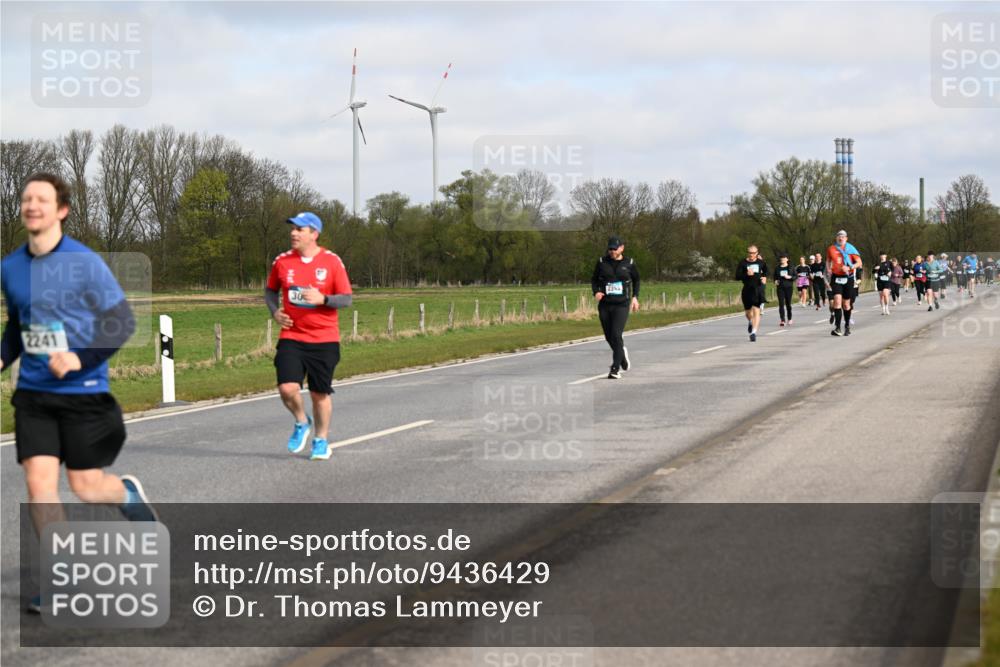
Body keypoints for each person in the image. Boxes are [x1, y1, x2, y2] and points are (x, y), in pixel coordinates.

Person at [1, 173, 157, 614]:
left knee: (87, 487)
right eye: (27, 198)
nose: (32, 205)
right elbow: (19, 325)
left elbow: (122, 322)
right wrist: (2, 358)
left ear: (61, 210)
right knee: (39, 486)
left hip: (83, 390)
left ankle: (126, 494)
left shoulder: (84, 263)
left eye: (42, 199)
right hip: (33, 393)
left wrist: (79, 359)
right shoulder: (10, 267)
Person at [266, 212, 353, 460]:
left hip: (324, 339)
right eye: (292, 228)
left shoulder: (332, 262)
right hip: (292, 335)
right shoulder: (282, 262)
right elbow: (270, 291)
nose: (293, 233)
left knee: (319, 394)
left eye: (300, 229)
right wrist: (275, 312)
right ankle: (302, 421)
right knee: (286, 388)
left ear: (314, 234)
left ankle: (321, 440)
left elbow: (346, 298)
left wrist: (323, 299)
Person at [592, 236, 640, 379]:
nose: (612, 251)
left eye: (615, 248)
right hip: (605, 304)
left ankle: (615, 368)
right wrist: (596, 292)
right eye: (610, 249)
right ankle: (622, 355)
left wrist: (635, 297)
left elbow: (636, 280)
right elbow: (594, 279)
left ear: (622, 248)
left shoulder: (629, 263)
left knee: (616, 334)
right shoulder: (601, 262)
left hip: (621, 305)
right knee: (608, 336)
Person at [826, 230, 861, 336]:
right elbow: (828, 260)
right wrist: (828, 269)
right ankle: (837, 328)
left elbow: (859, 263)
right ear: (836, 238)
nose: (840, 238)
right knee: (837, 302)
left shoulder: (851, 248)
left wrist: (850, 267)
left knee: (846, 304)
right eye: (839, 237)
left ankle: (847, 326)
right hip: (836, 278)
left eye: (843, 237)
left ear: (846, 238)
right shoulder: (831, 248)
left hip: (848, 277)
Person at [736, 245, 767, 342]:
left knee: (756, 310)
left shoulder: (761, 262)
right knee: (748, 312)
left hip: (757, 289)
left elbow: (766, 271)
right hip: (747, 289)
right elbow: (737, 276)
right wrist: (746, 274)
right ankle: (750, 321)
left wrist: (765, 277)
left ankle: (753, 333)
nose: (751, 255)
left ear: (757, 253)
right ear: (747, 253)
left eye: (753, 253)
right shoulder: (743, 263)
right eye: (750, 252)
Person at [774, 254, 795, 326]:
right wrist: (776, 281)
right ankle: (782, 320)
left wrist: (790, 277)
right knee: (781, 304)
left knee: (788, 304)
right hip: (780, 288)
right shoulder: (777, 268)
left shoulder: (791, 267)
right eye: (781, 258)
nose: (782, 259)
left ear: (787, 259)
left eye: (784, 258)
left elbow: (795, 276)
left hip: (788, 287)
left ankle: (789, 318)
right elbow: (775, 277)